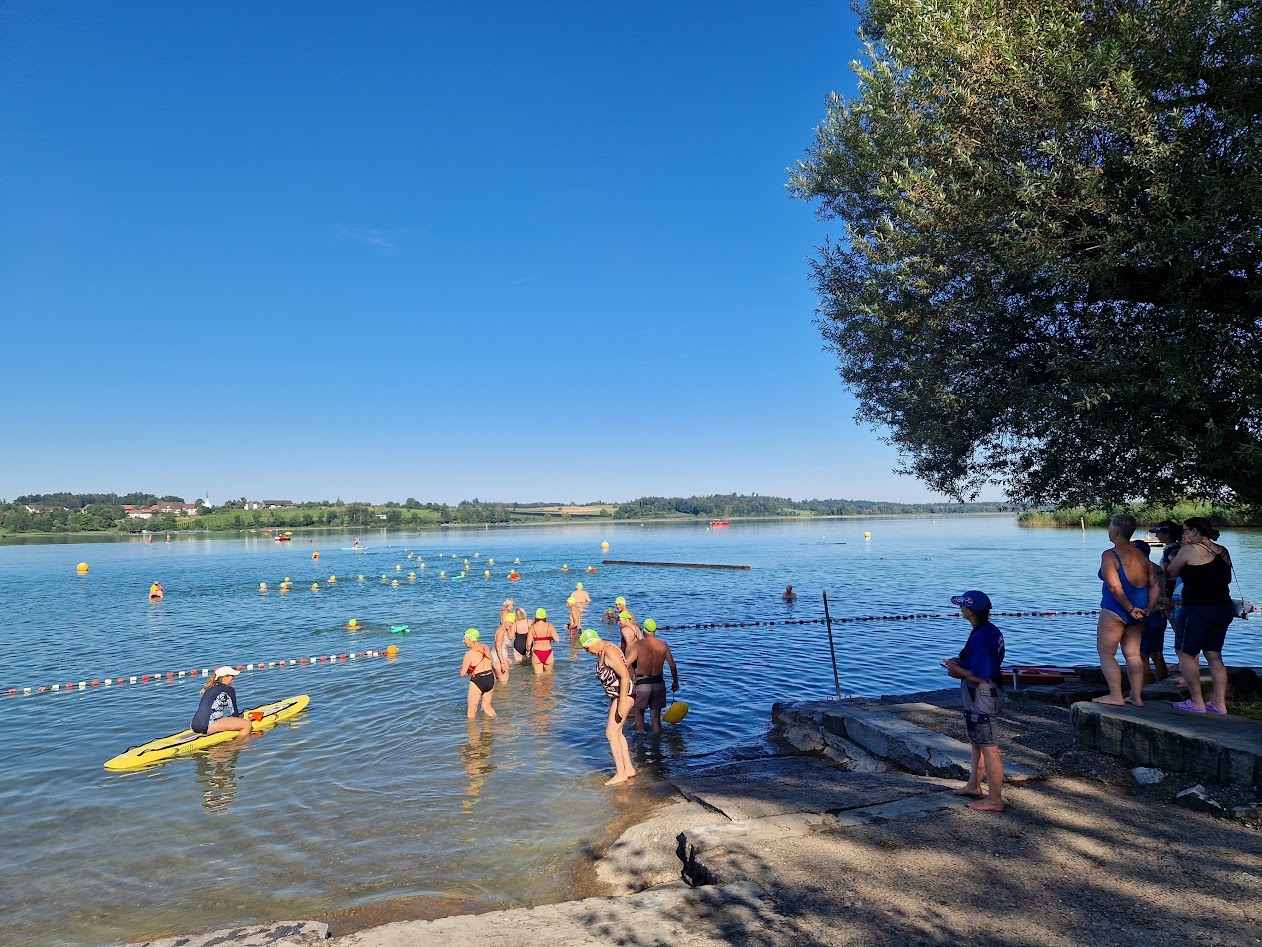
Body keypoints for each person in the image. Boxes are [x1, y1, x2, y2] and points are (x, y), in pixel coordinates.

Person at [942, 591, 1006, 812]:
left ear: (969, 610)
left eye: (962, 606)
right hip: (983, 694)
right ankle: (973, 785)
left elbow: (979, 675)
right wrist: (960, 663)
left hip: (982, 696)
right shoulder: (989, 630)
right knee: (977, 743)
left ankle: (995, 800)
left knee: (989, 748)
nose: (960, 609)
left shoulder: (981, 637)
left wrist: (956, 670)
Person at [1166, 518, 1235, 714]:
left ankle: (1196, 701)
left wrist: (1184, 548)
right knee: (1214, 655)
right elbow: (1227, 578)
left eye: (1184, 530)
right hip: (1223, 607)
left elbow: (1171, 571)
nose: (1182, 534)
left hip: (1197, 608)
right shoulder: (1222, 551)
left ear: (1194, 531)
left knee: (1185, 653)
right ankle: (1219, 703)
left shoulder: (1188, 550)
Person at [1092, 513, 1160, 707]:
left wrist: (1129, 608)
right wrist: (1148, 608)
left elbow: (1114, 587)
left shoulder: (1109, 555)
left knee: (1106, 652)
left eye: (1109, 527)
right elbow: (1155, 584)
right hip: (1140, 612)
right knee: (1132, 654)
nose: (1108, 531)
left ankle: (1116, 695)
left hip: (1116, 610)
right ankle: (1136, 696)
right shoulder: (1142, 556)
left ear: (1116, 531)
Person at [578, 628, 636, 785]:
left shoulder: (609, 651)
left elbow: (625, 675)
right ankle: (628, 769)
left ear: (593, 642)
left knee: (610, 734)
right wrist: (612, 702)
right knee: (617, 733)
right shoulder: (602, 651)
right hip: (616, 697)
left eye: (587, 648)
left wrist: (621, 702)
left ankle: (620, 774)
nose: (587, 652)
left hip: (624, 695)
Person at [624, 619, 679, 734]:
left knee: (639, 713)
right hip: (659, 683)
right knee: (656, 719)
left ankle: (640, 740)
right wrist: (675, 682)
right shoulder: (663, 645)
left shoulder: (638, 644)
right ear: (655, 631)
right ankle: (657, 742)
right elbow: (672, 665)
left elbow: (627, 663)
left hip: (643, 684)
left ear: (644, 630)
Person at [1131, 539, 1169, 684]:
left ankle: (1145, 688)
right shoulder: (1156, 568)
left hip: (1146, 615)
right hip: (1160, 613)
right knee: (1157, 653)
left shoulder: (1139, 570)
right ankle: (1162, 684)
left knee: (1142, 655)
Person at [191, 666, 253, 737]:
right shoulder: (229, 689)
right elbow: (234, 712)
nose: (234, 678)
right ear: (225, 677)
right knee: (247, 724)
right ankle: (238, 743)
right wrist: (239, 722)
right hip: (208, 725)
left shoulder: (209, 688)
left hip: (195, 724)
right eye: (232, 676)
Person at [1152, 520, 1184, 652]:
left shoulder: (1170, 550)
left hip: (1171, 589)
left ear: (1167, 534)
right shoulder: (1179, 548)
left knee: (1176, 625)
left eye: (1158, 533)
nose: (1156, 536)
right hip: (1178, 588)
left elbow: (1166, 572)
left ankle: (1183, 655)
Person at [459, 628, 502, 718]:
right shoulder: (485, 647)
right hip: (490, 678)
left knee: (471, 711)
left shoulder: (469, 654)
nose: (463, 641)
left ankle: (472, 727)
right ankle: (497, 721)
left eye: (465, 639)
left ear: (471, 639)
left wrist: (464, 670)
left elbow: (462, 673)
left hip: (478, 680)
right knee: (487, 707)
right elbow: (491, 660)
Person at [527, 608, 558, 674]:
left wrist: (527, 651)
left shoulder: (532, 627)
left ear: (536, 616)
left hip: (537, 652)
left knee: (538, 676)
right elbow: (557, 640)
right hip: (548, 652)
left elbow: (528, 643)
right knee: (549, 674)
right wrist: (550, 638)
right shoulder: (550, 626)